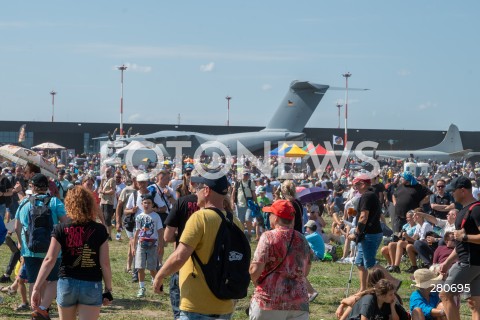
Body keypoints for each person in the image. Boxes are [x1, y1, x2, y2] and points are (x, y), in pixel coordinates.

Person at [153, 171, 241, 319]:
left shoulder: (200, 218)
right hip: (225, 304)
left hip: (197, 305)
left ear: (206, 191)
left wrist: (159, 276)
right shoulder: (235, 221)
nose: (196, 192)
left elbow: (180, 256)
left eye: (199, 187)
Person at [30, 186, 112, 320]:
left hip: (67, 283)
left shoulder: (61, 228)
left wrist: (37, 288)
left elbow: (49, 259)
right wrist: (108, 289)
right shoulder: (100, 230)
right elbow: (105, 263)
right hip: (91, 284)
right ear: (90, 205)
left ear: (69, 204)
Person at [14, 173, 68, 320]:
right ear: (47, 187)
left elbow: (17, 227)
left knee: (34, 281)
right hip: (52, 250)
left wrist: (21, 243)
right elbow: (65, 224)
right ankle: (43, 308)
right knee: (53, 280)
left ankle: (35, 309)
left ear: (32, 186)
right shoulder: (55, 202)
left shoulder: (24, 203)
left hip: (30, 250)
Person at [249, 199, 311, 320]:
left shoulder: (268, 237)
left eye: (270, 214)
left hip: (269, 302)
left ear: (276, 218)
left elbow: (254, 270)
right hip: (298, 304)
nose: (268, 217)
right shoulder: (302, 239)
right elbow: (305, 272)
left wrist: (255, 281)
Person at [440, 176, 480, 319]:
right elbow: (460, 244)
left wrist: (464, 237)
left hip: (468, 263)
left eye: (453, 191)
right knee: (474, 304)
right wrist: (447, 262)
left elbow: (463, 239)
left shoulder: (475, 210)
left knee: (445, 294)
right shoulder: (464, 210)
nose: (451, 193)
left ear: (463, 191)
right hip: (474, 263)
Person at [163, 174, 199, 320]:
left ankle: (179, 316)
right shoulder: (214, 204)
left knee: (177, 287)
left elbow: (167, 236)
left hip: (182, 254)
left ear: (191, 184)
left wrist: (178, 238)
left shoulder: (182, 202)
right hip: (206, 255)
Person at [348, 174, 384, 292]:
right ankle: (363, 289)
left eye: (356, 185)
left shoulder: (367, 196)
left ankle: (393, 281)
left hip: (370, 234)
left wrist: (356, 233)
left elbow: (363, 217)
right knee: (360, 263)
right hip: (369, 233)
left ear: (363, 184)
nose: (355, 188)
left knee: (370, 263)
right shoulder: (370, 195)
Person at [133, 195, 164, 298]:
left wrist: (161, 245)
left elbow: (160, 231)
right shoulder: (139, 217)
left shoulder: (156, 216)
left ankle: (157, 285)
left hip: (152, 245)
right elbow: (137, 232)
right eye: (145, 203)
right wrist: (134, 246)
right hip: (141, 245)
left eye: (149, 203)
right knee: (140, 267)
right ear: (142, 204)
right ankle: (141, 287)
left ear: (152, 204)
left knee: (152, 268)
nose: (146, 205)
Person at [98, 167, 116, 240]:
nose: (107, 173)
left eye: (108, 172)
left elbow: (112, 191)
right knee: (102, 218)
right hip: (103, 201)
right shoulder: (104, 180)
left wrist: (104, 192)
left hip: (108, 202)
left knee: (107, 219)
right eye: (106, 172)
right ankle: (104, 233)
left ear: (111, 172)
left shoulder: (112, 180)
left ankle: (109, 235)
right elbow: (100, 188)